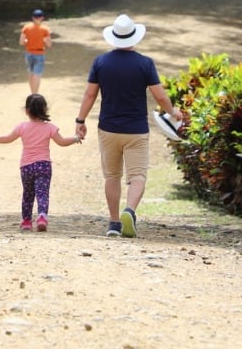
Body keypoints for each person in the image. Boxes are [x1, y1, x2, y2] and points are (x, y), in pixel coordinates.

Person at [74, 14, 185, 238]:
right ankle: (130, 211)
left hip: (108, 128)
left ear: (114, 38)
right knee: (138, 176)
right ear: (134, 37)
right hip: (136, 130)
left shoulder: (101, 62)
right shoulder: (145, 64)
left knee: (112, 176)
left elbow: (89, 94)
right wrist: (173, 112)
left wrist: (80, 121)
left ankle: (114, 223)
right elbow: (161, 97)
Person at [0, 93, 80, 232]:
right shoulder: (50, 128)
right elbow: (62, 142)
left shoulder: (22, 127)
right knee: (43, 193)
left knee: (28, 194)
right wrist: (76, 138)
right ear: (45, 110)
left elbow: (6, 138)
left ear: (27, 110)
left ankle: (26, 221)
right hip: (44, 166)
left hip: (26, 167)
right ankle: (41, 216)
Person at [19, 9, 53, 93]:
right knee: (37, 75)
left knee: (31, 74)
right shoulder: (45, 29)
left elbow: (21, 42)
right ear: (42, 18)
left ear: (32, 18)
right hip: (39, 53)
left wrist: (27, 41)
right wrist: (44, 41)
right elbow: (49, 44)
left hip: (29, 53)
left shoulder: (26, 28)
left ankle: (32, 93)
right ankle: (35, 94)